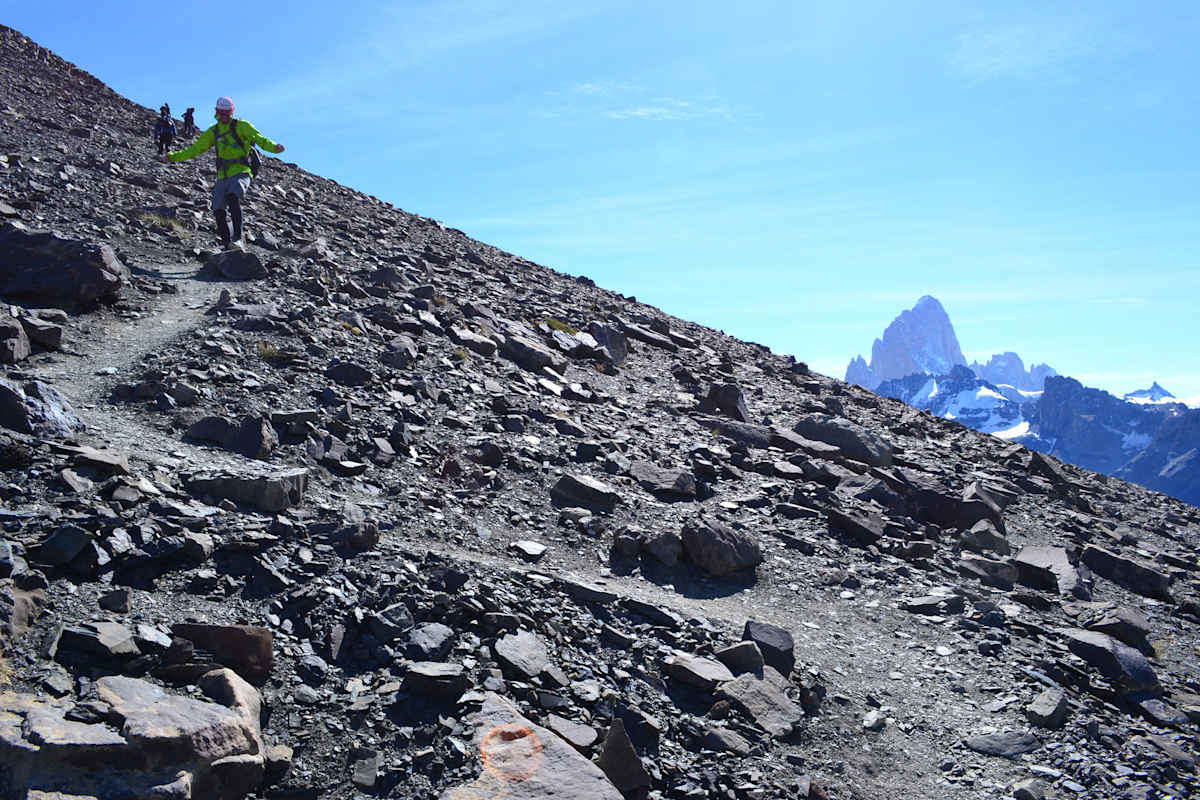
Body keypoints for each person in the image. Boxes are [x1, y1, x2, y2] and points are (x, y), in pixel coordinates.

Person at [163, 96, 285, 251]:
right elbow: (195, 150)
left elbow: (260, 139)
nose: (224, 116)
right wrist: (173, 157)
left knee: (233, 195)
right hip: (223, 175)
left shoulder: (242, 126)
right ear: (217, 112)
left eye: (227, 113)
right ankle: (227, 244)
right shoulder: (213, 132)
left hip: (242, 171)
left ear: (231, 112)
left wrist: (275, 147)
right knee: (218, 208)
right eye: (221, 113)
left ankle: (238, 239)